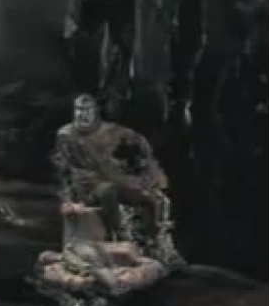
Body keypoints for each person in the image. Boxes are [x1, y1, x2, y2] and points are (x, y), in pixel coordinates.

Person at [53, 94, 183, 266]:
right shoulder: (66, 135)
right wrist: (67, 195)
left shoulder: (110, 131)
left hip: (116, 179)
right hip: (88, 187)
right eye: (78, 110)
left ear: (95, 112)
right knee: (106, 191)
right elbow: (62, 167)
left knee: (150, 197)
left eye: (86, 110)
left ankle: (155, 243)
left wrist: (151, 168)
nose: (82, 114)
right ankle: (118, 234)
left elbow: (139, 140)